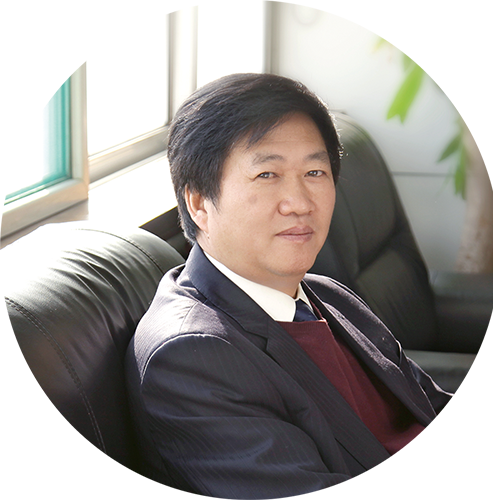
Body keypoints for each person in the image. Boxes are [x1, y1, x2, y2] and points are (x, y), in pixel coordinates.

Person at [125, 73, 452, 499]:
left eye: (315, 171)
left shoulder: (326, 295)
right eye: (267, 174)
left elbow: (434, 410)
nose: (299, 203)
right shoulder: (190, 355)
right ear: (199, 202)